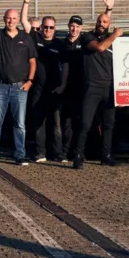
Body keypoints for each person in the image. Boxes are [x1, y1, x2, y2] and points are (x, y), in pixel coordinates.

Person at [0, 0, 37, 166]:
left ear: (18, 19)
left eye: (13, 18)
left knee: (19, 125)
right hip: (0, 87)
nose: (10, 21)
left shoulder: (26, 38)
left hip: (20, 88)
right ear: (4, 19)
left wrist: (30, 81)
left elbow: (33, 61)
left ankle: (19, 155)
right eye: (8, 18)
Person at [72, 0, 122, 170]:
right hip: (92, 88)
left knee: (108, 124)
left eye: (105, 22)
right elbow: (100, 47)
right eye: (99, 22)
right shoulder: (87, 37)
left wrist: (109, 9)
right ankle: (78, 155)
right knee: (85, 123)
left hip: (109, 89)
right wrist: (115, 34)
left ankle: (105, 155)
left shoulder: (112, 41)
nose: (102, 24)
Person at [24, 6, 67, 163]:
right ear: (41, 28)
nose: (48, 30)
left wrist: (62, 85)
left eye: (51, 27)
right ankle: (40, 152)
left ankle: (58, 153)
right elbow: (24, 21)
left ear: (55, 29)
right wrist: (26, 2)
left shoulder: (59, 45)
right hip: (38, 88)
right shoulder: (36, 40)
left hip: (54, 89)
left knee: (56, 123)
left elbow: (66, 66)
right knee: (38, 122)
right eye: (45, 27)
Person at [60, 15, 86, 163]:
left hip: (82, 88)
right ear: (68, 26)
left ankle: (79, 152)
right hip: (66, 89)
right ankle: (65, 152)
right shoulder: (62, 43)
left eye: (77, 27)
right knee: (67, 123)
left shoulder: (84, 42)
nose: (74, 29)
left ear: (81, 28)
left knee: (81, 122)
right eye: (72, 26)